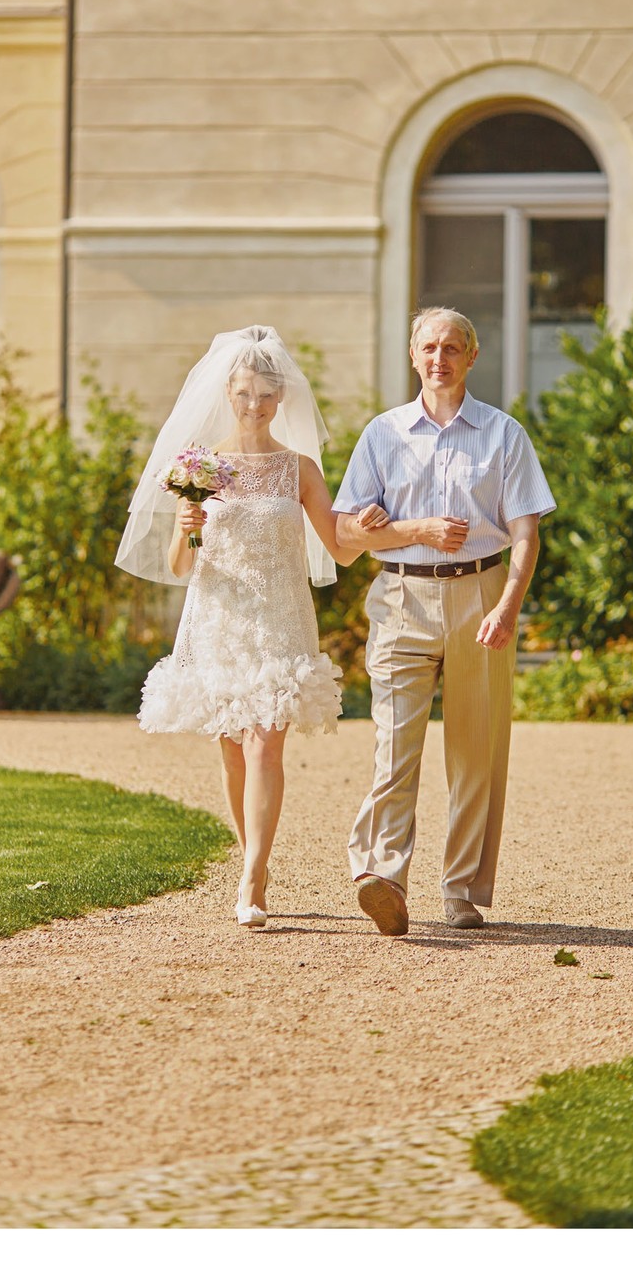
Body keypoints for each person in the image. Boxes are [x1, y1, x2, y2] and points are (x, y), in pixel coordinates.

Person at [115, 326, 388, 929]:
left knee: (267, 743)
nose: (255, 405)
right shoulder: (201, 466)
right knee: (235, 753)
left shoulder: (300, 469)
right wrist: (187, 522)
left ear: (282, 397)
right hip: (220, 619)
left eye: (266, 394)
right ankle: (251, 861)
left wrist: (367, 527)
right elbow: (180, 566)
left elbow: (339, 551)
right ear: (227, 393)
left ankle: (253, 875)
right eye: (244, 393)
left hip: (282, 619)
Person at [333, 306, 556, 935]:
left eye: (452, 348)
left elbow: (526, 531)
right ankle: (381, 875)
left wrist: (509, 605)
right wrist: (397, 528)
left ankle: (460, 891)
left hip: (482, 598)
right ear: (413, 355)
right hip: (402, 598)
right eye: (429, 347)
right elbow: (347, 535)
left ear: (471, 357)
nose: (439, 359)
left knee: (474, 754)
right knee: (393, 745)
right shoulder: (382, 435)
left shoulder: (504, 434)